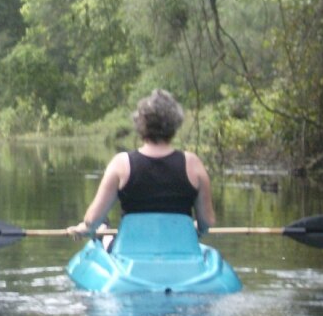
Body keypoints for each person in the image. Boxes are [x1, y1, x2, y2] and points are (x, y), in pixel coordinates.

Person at [67, 89, 216, 243]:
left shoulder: (121, 164)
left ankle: (105, 232)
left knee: (102, 230)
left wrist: (84, 228)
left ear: (140, 124)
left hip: (131, 253)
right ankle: (105, 231)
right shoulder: (193, 164)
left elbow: (92, 221)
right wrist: (194, 228)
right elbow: (206, 223)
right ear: (175, 124)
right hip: (181, 252)